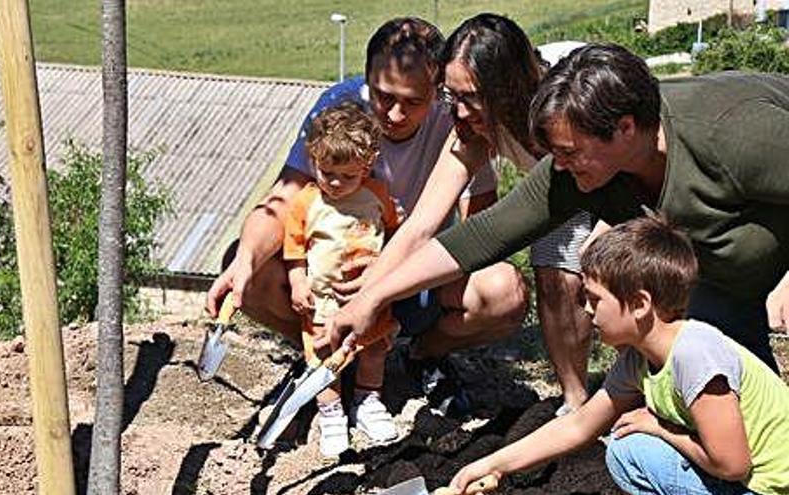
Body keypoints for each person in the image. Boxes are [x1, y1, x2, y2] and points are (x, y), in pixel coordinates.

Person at [328, 43, 789, 373]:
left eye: (569, 152)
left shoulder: (733, 131)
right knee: (735, 404)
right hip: (725, 282)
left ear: (624, 128)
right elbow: (485, 234)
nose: (559, 165)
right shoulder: (582, 168)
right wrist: (375, 296)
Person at [205, 18, 527, 390]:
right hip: (332, 277)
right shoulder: (339, 107)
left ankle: (422, 354)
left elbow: (481, 225)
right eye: (383, 96)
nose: (393, 115)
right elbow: (282, 198)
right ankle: (321, 349)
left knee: (505, 291)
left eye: (412, 102)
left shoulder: (457, 121)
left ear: (438, 91)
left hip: (419, 279)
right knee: (246, 265)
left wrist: (387, 279)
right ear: (366, 78)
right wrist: (245, 261)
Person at [444, 216, 789, 495]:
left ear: (640, 304)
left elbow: (732, 464)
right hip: (743, 478)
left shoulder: (695, 354)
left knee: (637, 446)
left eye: (595, 299)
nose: (588, 311)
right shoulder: (639, 358)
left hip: (768, 485)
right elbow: (579, 425)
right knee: (627, 452)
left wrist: (662, 428)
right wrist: (491, 465)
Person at [360, 13, 595, 413]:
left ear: (508, 89)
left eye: (470, 97)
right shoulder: (468, 126)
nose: (459, 111)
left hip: (613, 173)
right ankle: (575, 402)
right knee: (554, 273)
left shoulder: (569, 94)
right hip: (559, 183)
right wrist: (366, 300)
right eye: (450, 96)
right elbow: (422, 224)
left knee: (614, 272)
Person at [284, 102, 400, 457]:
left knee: (374, 349)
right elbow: (294, 250)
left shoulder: (377, 195)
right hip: (324, 300)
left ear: (367, 165)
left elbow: (395, 234)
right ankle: (331, 413)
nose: (335, 183)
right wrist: (297, 283)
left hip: (370, 296)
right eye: (326, 172)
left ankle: (367, 400)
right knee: (324, 355)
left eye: (347, 176)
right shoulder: (306, 201)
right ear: (313, 160)